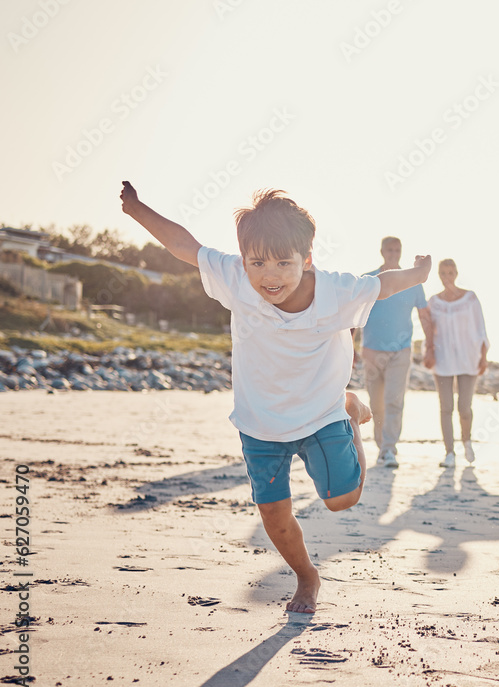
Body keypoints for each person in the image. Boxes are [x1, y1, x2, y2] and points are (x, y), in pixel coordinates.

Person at [119, 183, 430, 613]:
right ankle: (307, 577)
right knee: (274, 517)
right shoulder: (235, 279)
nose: (270, 275)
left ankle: (350, 409)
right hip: (260, 422)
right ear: (243, 258)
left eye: (285, 263)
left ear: (307, 258)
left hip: (321, 412)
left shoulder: (336, 292)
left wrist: (419, 275)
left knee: (343, 500)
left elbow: (385, 284)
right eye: (258, 262)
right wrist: (136, 208)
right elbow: (182, 244)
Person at [361, 237, 431, 469]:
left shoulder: (413, 282)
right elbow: (353, 315)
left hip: (400, 351)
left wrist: (429, 345)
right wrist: (348, 346)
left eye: (397, 250)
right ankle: (382, 445)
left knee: (394, 400)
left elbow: (424, 315)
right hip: (371, 350)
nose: (393, 253)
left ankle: (389, 449)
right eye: (389, 249)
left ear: (401, 252)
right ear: (381, 251)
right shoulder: (369, 280)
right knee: (376, 403)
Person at [420, 259, 489, 469]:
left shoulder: (470, 299)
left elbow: (480, 328)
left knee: (465, 407)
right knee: (446, 407)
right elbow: (429, 330)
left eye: (450, 273)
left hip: (468, 359)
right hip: (442, 360)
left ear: (456, 274)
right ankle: (449, 452)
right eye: (443, 273)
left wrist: (484, 355)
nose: (447, 277)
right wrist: (428, 352)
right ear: (439, 276)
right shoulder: (433, 302)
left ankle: (467, 442)